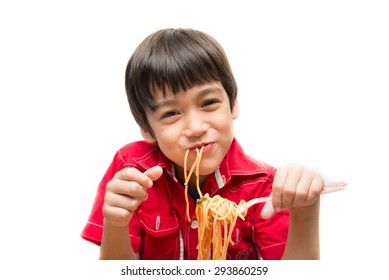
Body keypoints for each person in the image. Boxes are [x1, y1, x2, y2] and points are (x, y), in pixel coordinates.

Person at [81, 28, 324, 260]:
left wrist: (305, 210)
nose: (196, 127)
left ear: (233, 104)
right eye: (170, 114)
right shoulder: (132, 172)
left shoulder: (264, 188)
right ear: (147, 129)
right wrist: (115, 224)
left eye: (208, 103)